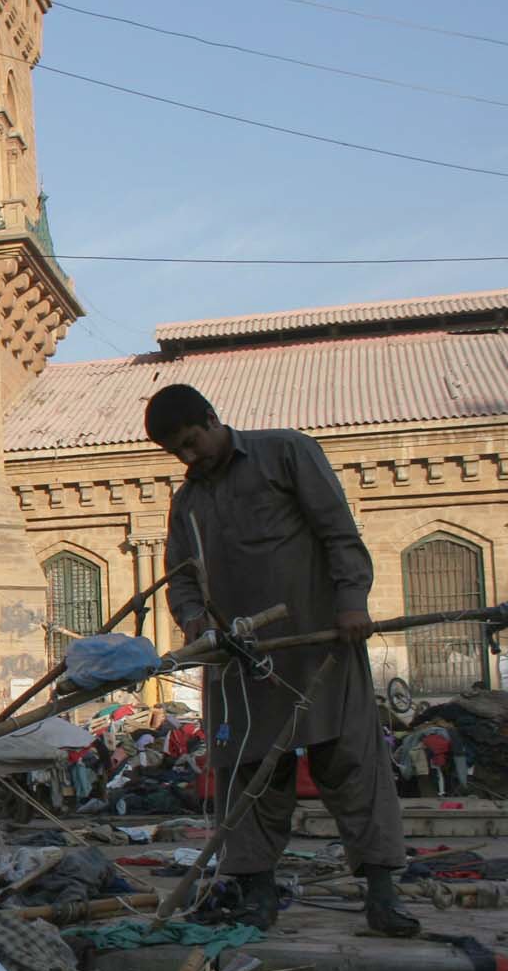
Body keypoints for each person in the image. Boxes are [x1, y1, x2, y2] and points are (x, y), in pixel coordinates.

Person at [149, 383, 415, 936]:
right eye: (178, 452)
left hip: (318, 647)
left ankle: (383, 893)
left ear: (213, 418)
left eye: (193, 442)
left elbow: (338, 532)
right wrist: (198, 626)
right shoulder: (189, 503)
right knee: (246, 778)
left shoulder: (285, 452)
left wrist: (351, 602)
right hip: (239, 665)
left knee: (351, 766)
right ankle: (256, 894)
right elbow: (181, 582)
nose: (189, 457)